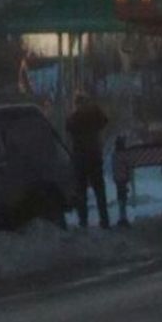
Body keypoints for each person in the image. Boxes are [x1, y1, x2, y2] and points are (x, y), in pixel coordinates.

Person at [66, 92, 110, 229]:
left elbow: (68, 128)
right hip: (94, 156)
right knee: (99, 190)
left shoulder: (74, 117)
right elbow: (104, 121)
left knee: (81, 191)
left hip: (80, 158)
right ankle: (104, 220)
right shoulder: (94, 114)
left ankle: (83, 221)